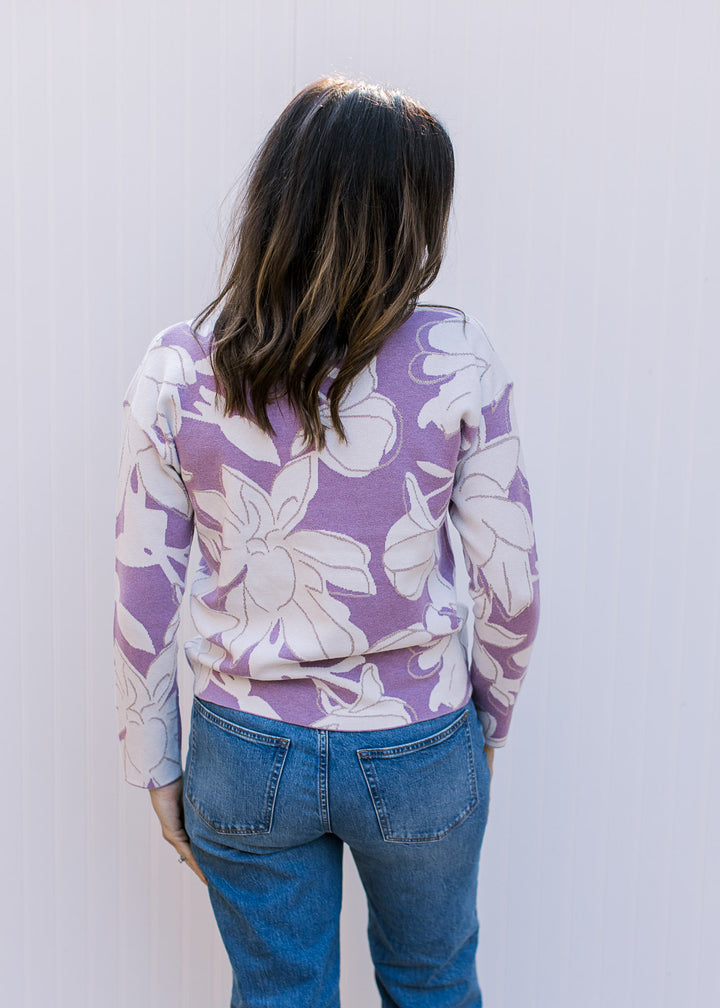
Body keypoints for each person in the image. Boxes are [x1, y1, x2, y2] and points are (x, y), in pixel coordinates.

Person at [114, 75, 540, 1008]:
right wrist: (489, 726)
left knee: (278, 994)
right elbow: (511, 586)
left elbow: (143, 591)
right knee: (432, 984)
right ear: (407, 220)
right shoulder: (457, 356)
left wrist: (157, 762)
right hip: (422, 743)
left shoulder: (179, 365)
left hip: (243, 744)